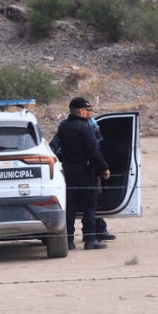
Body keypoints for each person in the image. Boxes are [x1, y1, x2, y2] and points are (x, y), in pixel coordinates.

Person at [55, 97, 111, 250]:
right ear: (81, 111)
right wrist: (104, 167)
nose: (89, 113)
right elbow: (93, 150)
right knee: (89, 207)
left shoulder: (63, 126)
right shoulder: (85, 127)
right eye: (88, 110)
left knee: (70, 208)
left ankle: (69, 241)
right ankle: (90, 239)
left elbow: (58, 147)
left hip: (69, 172)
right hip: (86, 173)